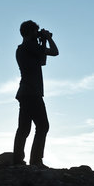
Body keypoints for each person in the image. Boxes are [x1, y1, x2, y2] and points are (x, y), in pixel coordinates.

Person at [13, 20, 59, 167]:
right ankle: (36, 160)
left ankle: (18, 159)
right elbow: (55, 52)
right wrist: (48, 38)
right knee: (43, 126)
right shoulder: (29, 46)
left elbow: (42, 61)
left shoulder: (24, 48)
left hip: (25, 92)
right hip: (32, 92)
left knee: (24, 128)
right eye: (35, 31)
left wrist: (43, 40)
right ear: (31, 32)